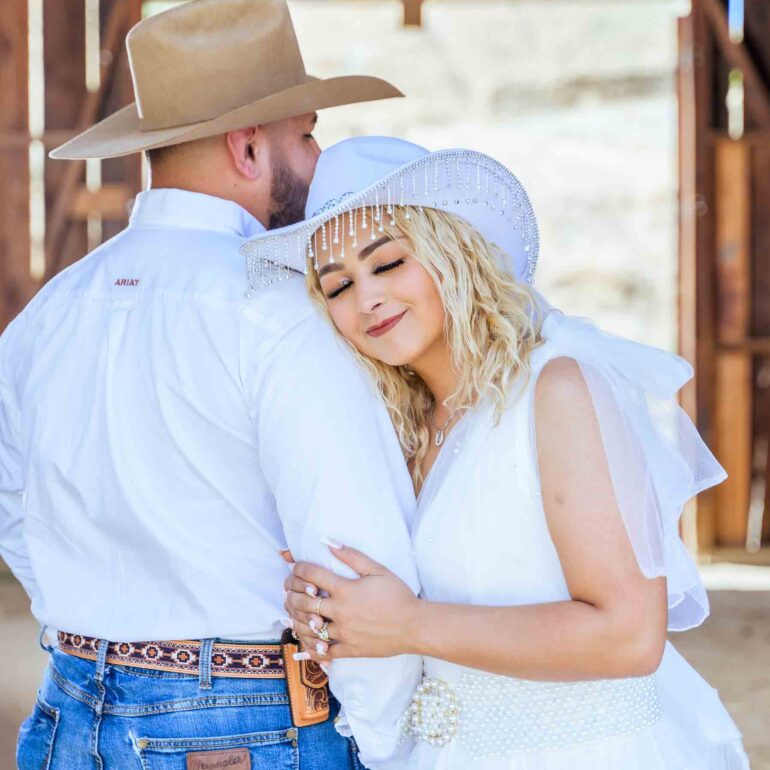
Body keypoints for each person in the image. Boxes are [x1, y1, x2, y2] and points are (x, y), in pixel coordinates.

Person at [1, 4, 424, 769]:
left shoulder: (47, 313)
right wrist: (385, 737)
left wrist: (103, 634)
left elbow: (13, 510)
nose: (317, 160)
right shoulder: (280, 311)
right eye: (306, 136)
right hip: (244, 725)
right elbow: (349, 557)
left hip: (69, 709)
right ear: (248, 147)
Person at [243, 136, 751, 768]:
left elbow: (630, 636)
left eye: (388, 262)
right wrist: (331, 609)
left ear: (451, 252)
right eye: (338, 285)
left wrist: (407, 624)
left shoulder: (556, 389)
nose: (366, 299)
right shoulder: (401, 429)